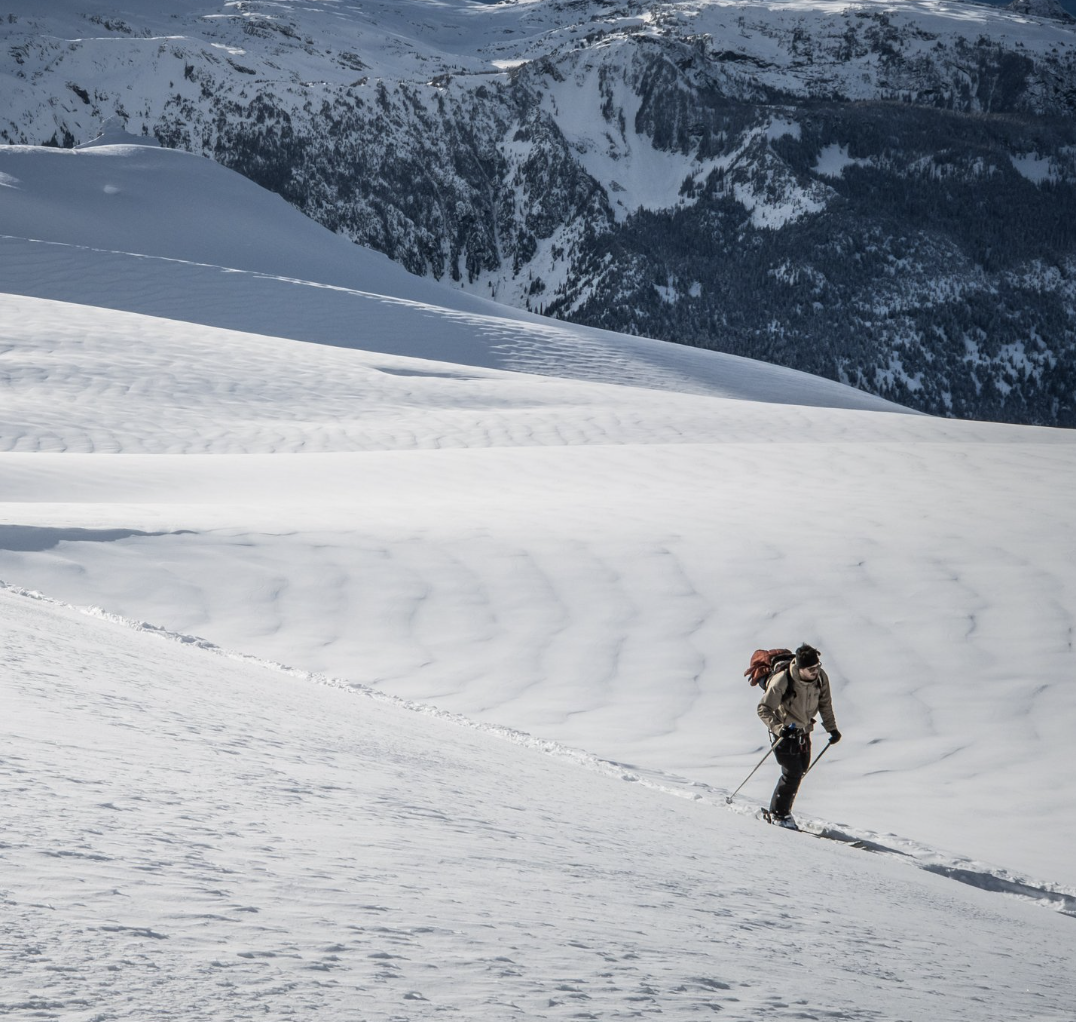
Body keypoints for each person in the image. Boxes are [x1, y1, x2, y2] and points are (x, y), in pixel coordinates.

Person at [756, 643, 841, 828]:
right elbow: (763, 709)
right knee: (792, 773)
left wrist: (832, 729)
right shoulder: (782, 681)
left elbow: (825, 704)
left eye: (817, 666)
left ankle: (780, 811)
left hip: (804, 731)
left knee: (800, 770)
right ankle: (779, 814)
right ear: (800, 668)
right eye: (811, 669)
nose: (816, 671)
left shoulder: (821, 678)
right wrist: (779, 729)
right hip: (784, 733)